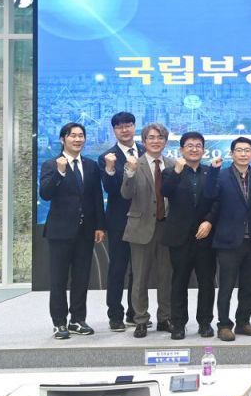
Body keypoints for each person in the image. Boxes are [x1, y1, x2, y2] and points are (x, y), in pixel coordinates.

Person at [39, 122, 106, 339]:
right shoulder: (51, 164)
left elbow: (96, 197)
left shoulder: (91, 165)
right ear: (63, 139)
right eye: (73, 135)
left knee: (81, 278)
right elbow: (45, 194)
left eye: (81, 136)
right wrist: (59, 173)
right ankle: (59, 322)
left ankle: (77, 319)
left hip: (85, 231)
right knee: (58, 279)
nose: (78, 139)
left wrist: (100, 225)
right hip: (60, 232)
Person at [204, 137, 251, 341]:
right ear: (232, 154)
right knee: (226, 286)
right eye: (239, 150)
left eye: (247, 150)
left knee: (249, 286)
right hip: (228, 241)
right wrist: (213, 171)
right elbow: (209, 195)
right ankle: (224, 325)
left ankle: (243, 322)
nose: (243, 154)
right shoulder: (221, 175)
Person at [160, 132, 217, 340]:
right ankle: (178, 324)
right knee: (179, 282)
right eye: (190, 145)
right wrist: (177, 171)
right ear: (181, 149)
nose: (194, 149)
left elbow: (217, 200)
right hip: (180, 237)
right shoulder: (170, 171)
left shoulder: (211, 172)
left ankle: (205, 323)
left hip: (205, 236)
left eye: (198, 145)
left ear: (203, 150)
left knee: (207, 282)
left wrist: (209, 220)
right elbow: (165, 192)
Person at [120, 122, 175, 338]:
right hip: (141, 228)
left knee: (166, 277)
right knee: (140, 278)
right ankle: (141, 320)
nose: (156, 141)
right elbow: (126, 194)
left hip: (167, 228)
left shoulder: (172, 164)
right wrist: (130, 172)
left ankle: (165, 318)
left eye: (160, 137)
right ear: (144, 141)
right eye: (151, 137)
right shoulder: (135, 163)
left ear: (165, 141)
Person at [99, 111, 143, 332]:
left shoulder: (146, 151)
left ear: (134, 127)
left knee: (139, 270)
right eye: (119, 126)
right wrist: (110, 169)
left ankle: (135, 313)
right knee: (118, 269)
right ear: (114, 130)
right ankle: (115, 315)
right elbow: (110, 189)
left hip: (143, 220)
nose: (124, 129)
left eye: (128, 125)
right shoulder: (107, 157)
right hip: (119, 221)